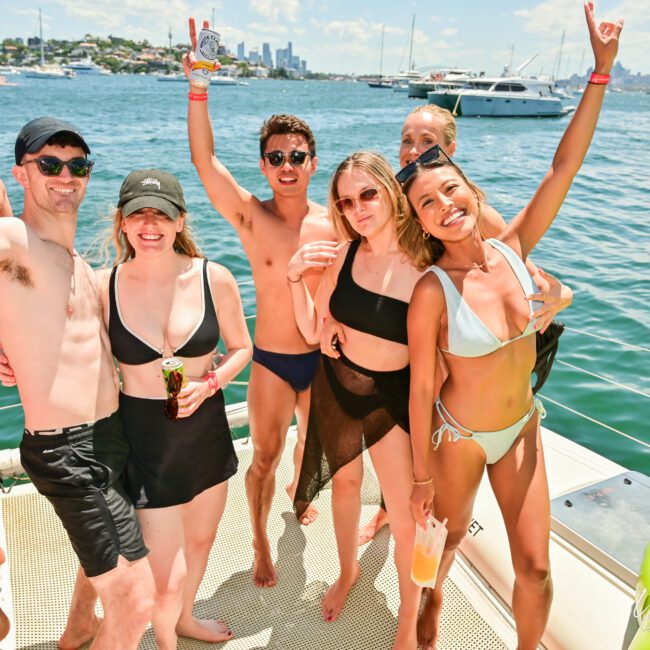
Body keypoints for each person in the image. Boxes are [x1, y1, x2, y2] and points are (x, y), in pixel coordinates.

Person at [405, 6, 622, 649]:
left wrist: (600, 75)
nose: (445, 207)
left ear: (470, 189)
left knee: (536, 570)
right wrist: (419, 478)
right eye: (426, 204)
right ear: (418, 222)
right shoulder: (430, 292)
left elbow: (563, 167)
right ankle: (427, 620)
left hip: (521, 430)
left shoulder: (514, 249)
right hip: (459, 438)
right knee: (432, 559)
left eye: (451, 192)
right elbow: (421, 391)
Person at [356, 102, 574, 545]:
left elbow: (515, 273)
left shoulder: (465, 208)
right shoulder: (396, 203)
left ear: (450, 150)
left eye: (427, 142)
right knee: (405, 438)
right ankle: (387, 508)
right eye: (406, 139)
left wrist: (563, 293)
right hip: (407, 346)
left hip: (452, 355)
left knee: (424, 440)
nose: (413, 149)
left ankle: (409, 514)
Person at [184, 18, 336, 588]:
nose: (288, 166)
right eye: (276, 158)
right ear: (264, 166)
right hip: (272, 361)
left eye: (298, 155)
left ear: (313, 162)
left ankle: (299, 502)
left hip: (324, 360)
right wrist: (200, 85)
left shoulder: (338, 221)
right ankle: (257, 541)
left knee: (311, 459)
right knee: (265, 459)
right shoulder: (253, 218)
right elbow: (205, 162)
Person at [0, 117, 154, 649]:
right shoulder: (12, 243)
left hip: (111, 434)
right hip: (67, 449)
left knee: (102, 563)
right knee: (136, 602)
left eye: (77, 165)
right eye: (49, 164)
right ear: (21, 173)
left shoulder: (82, 267)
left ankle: (79, 629)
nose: (66, 176)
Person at [96, 169, 252, 648]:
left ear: (180, 221)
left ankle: (185, 619)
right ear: (121, 223)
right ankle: (168, 641)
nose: (150, 224)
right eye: (138, 214)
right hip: (145, 443)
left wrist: (210, 382)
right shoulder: (103, 287)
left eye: (161, 214)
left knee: (201, 543)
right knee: (163, 579)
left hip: (205, 432)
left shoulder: (214, 277)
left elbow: (243, 348)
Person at [288, 151, 428, 649]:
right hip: (338, 384)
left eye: (368, 193)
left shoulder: (426, 260)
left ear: (391, 190)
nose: (358, 208)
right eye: (346, 201)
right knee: (345, 488)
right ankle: (347, 572)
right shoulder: (344, 255)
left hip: (392, 398)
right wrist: (293, 279)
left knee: (405, 515)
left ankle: (409, 620)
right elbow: (312, 328)